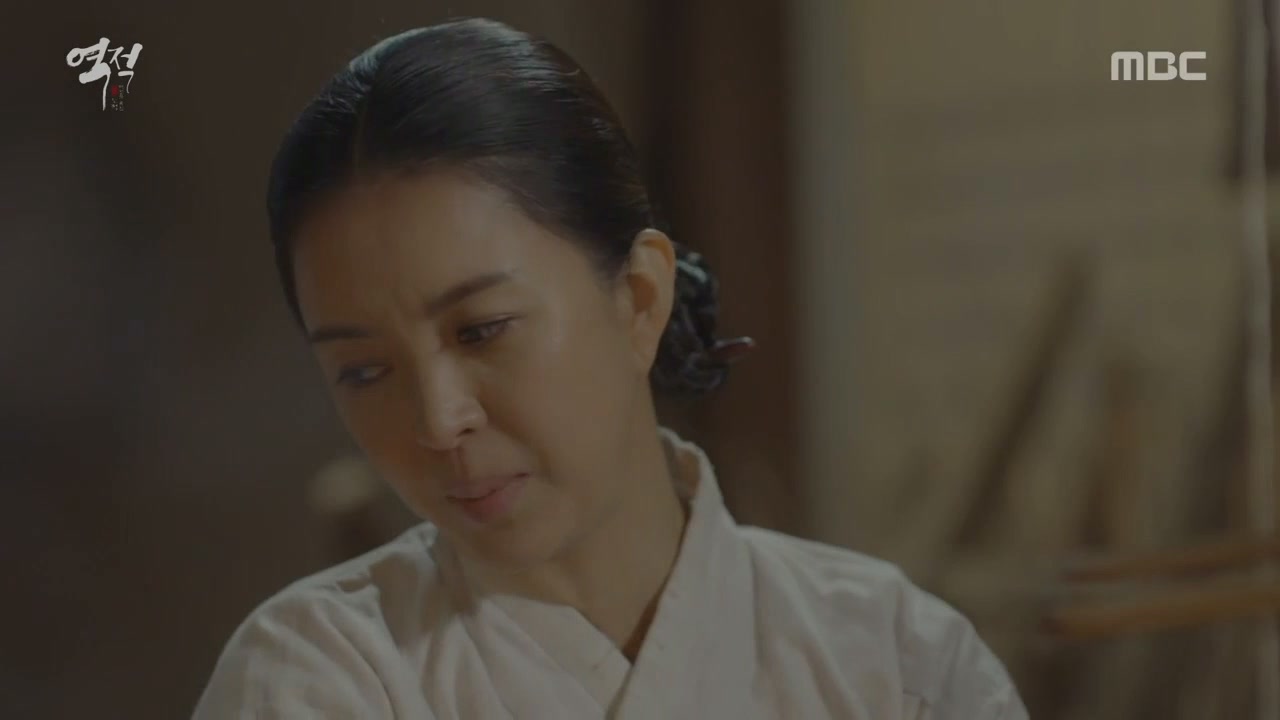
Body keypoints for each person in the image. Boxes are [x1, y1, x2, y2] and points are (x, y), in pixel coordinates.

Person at [194, 17, 1028, 719]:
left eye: (482, 331)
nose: (439, 420)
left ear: (637, 298)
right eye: (365, 372)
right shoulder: (316, 677)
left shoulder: (894, 660)